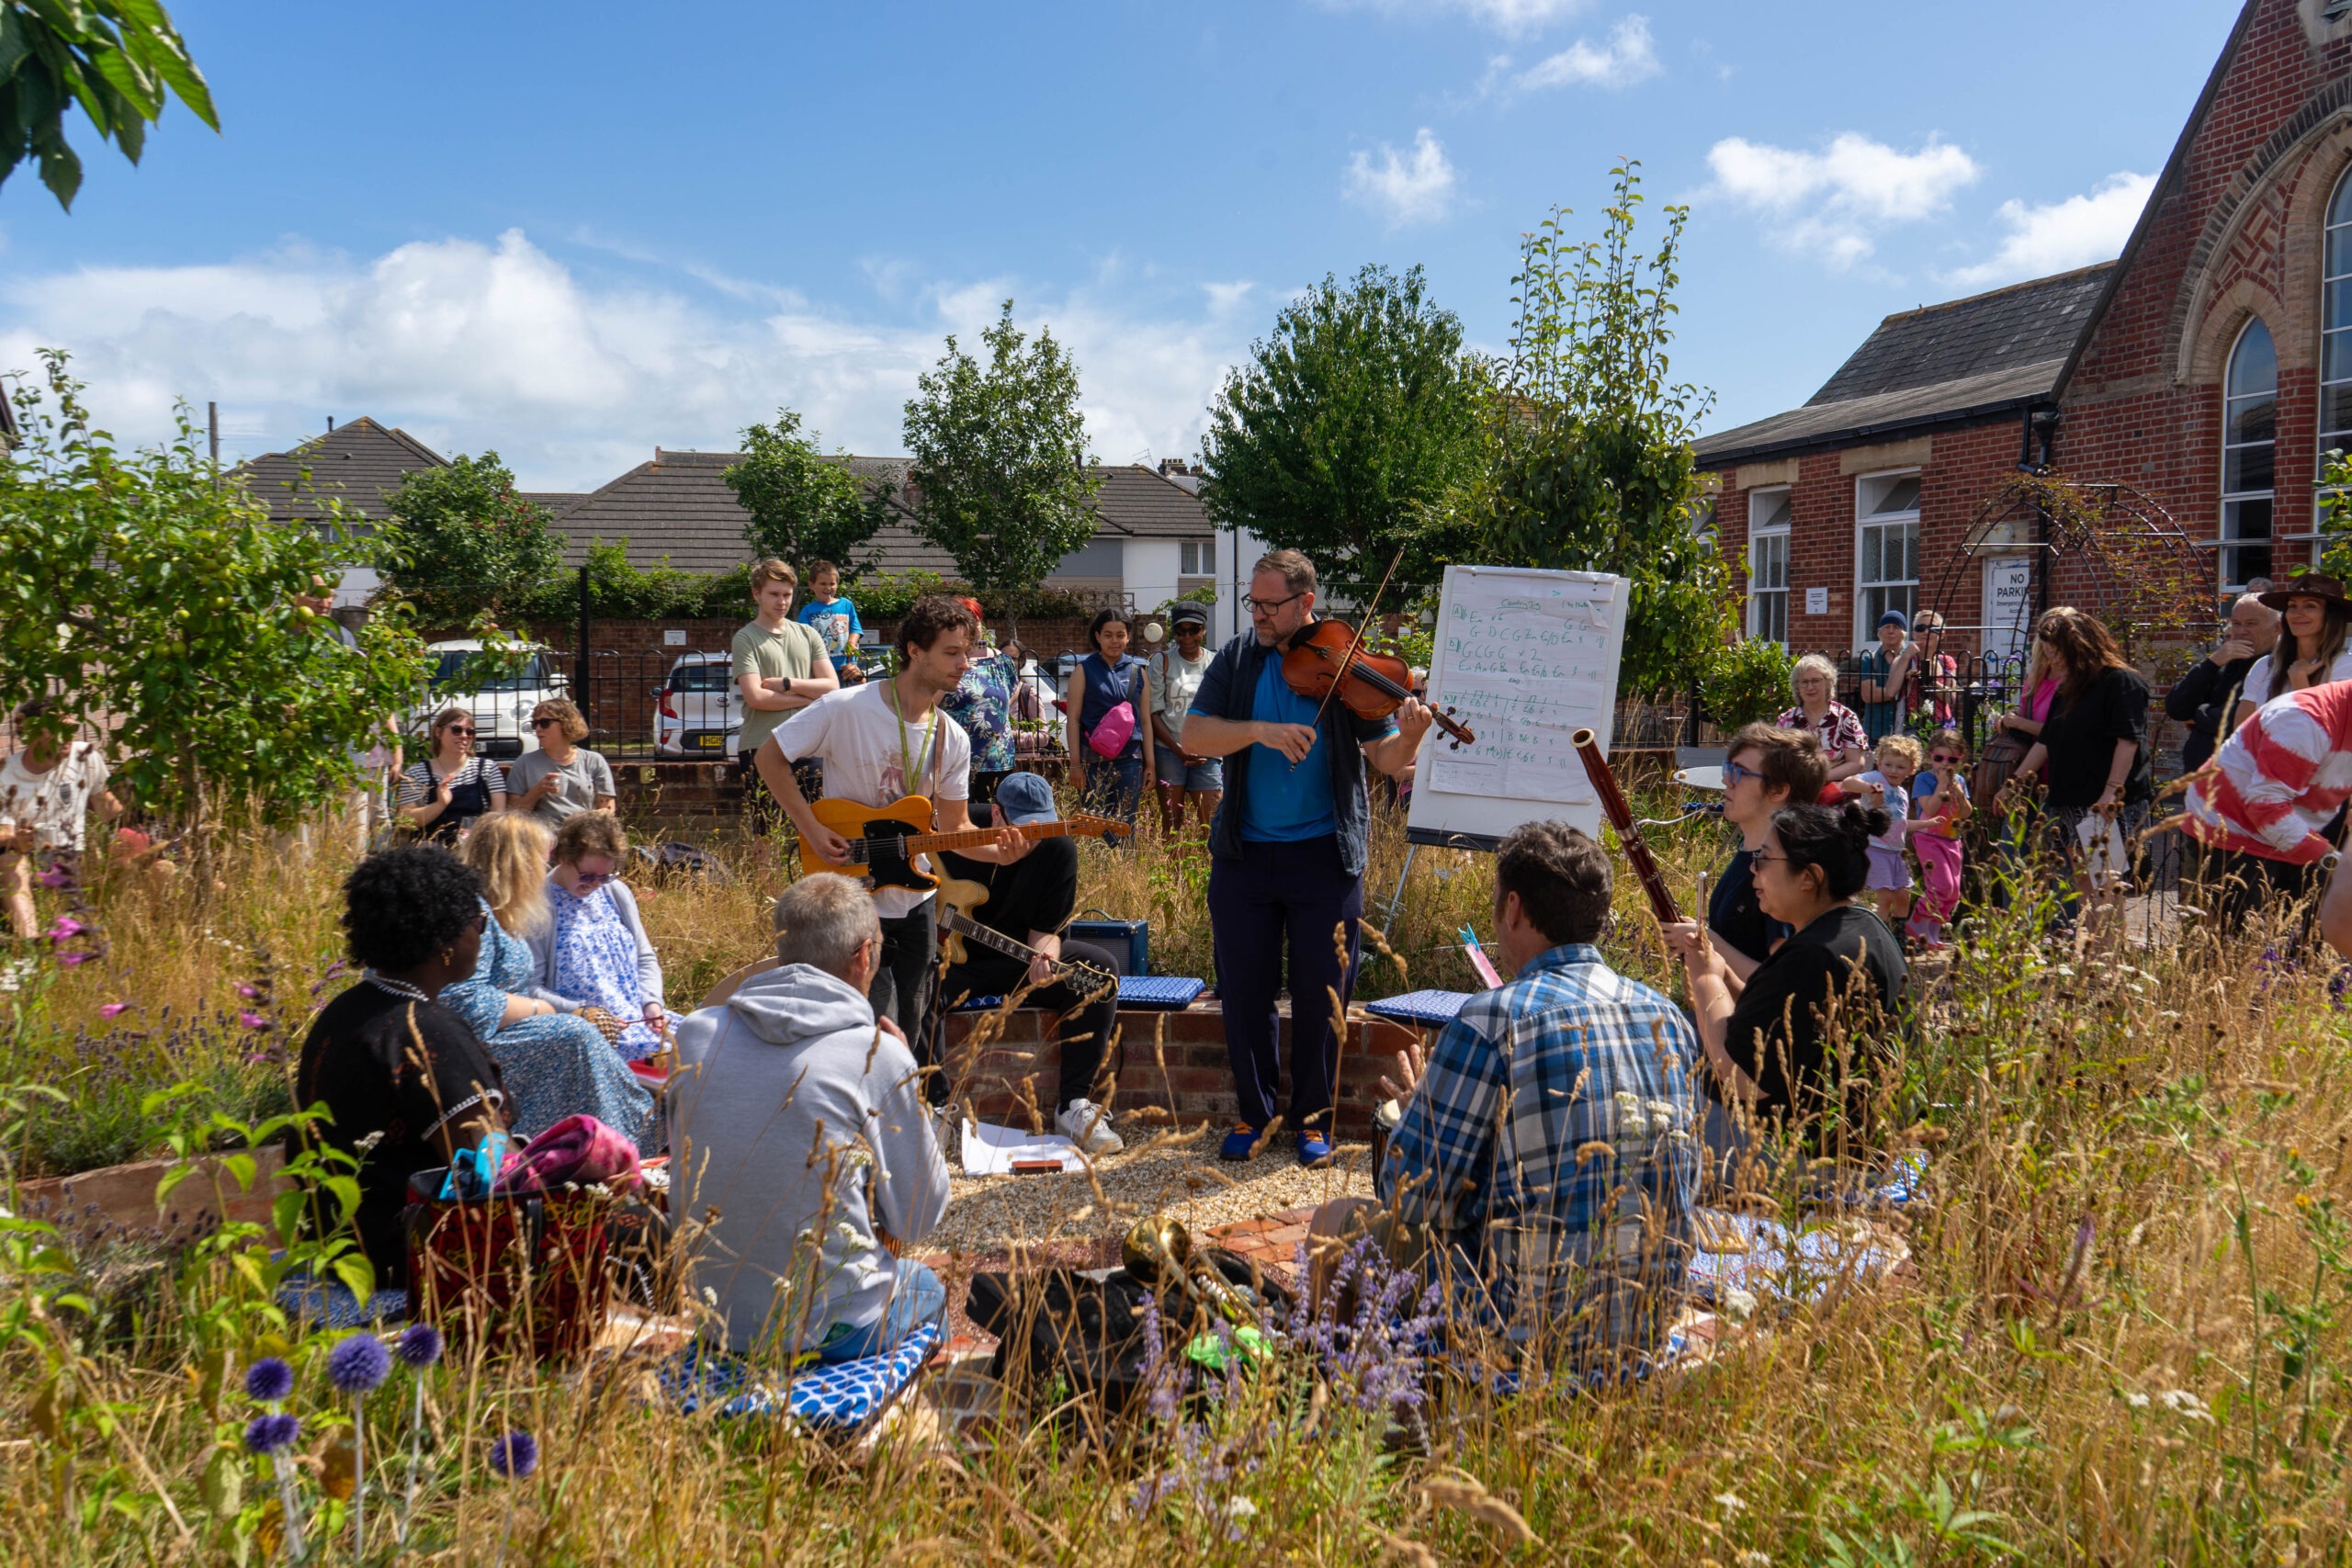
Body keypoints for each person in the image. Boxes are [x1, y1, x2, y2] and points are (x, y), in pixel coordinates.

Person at [1307, 821, 1699, 1366]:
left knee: (1334, 1221)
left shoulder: (1492, 1019)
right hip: (1646, 1323)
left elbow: (1413, 1197)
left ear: (1513, 907)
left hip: (1520, 1332)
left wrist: (1420, 1108)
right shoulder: (1670, 1018)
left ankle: (1342, 1393)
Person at [1179, 550, 1431, 1167]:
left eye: (1270, 605)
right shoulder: (1237, 659)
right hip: (1244, 855)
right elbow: (1193, 736)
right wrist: (1260, 731)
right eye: (1253, 603)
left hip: (1325, 854)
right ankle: (1254, 1114)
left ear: (1306, 604)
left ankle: (1312, 1120)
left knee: (1324, 995)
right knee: (1245, 990)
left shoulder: (1343, 662)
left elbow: (1389, 761)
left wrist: (1415, 731)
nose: (1259, 615)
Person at [757, 594, 1035, 1089]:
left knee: (917, 1016)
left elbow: (955, 830)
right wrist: (810, 827)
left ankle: (916, 1116)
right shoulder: (845, 707)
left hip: (916, 899)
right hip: (852, 895)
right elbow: (770, 757)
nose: (964, 664)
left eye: (966, 652)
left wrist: (1002, 852)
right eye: (951, 652)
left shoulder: (952, 736)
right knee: (873, 1018)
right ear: (914, 650)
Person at [669, 873, 951, 1359]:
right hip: (831, 1330)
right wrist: (910, 1089)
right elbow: (919, 1218)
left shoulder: (695, 1035)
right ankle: (887, 1419)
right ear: (865, 955)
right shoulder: (877, 1055)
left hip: (719, 1323)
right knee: (927, 1286)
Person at [295, 847, 510, 1290]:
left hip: (335, 1244)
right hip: (407, 1259)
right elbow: (489, 1174)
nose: (482, 934)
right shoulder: (426, 1029)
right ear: (445, 939)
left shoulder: (344, 1012)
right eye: (480, 924)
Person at [1677, 801, 1907, 1174]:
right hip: (1855, 1147)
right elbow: (1778, 1014)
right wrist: (1723, 976)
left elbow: (1741, 1076)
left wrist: (1705, 978)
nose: (1753, 871)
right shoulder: (1859, 927)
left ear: (1809, 877)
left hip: (1806, 1161)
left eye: (1764, 860)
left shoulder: (1815, 955)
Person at [935, 772, 1125, 1155]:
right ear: (996, 814)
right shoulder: (957, 829)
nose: (1033, 837)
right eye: (1024, 828)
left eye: (1042, 826)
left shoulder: (1058, 849)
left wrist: (1047, 958)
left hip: (1017, 960)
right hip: (953, 962)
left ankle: (1073, 1106)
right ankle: (933, 1108)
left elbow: (1046, 931)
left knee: (1101, 971)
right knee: (918, 985)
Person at [445, 813, 658, 1153]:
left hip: (520, 1029)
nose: (544, 870)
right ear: (516, 863)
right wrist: (543, 1008)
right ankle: (617, 1148)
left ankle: (633, 1137)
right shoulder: (476, 913)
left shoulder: (503, 910)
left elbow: (645, 957)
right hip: (483, 1044)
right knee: (577, 1037)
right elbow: (467, 1002)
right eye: (539, 860)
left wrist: (651, 1002)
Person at [2014, 607, 2154, 926]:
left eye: (2058, 652)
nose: (2053, 661)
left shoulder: (2122, 682)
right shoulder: (2069, 686)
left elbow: (2128, 740)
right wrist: (2016, 783)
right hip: (2070, 799)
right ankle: (2089, 955)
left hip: (2101, 802)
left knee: (2105, 882)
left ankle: (2107, 960)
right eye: (2048, 653)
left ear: (2081, 645)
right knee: (2083, 881)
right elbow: (2047, 741)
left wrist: (2110, 793)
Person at [1662, 724, 1826, 984]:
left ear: (1778, 790)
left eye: (1739, 773)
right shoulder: (1749, 853)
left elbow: (1778, 985)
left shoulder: (1782, 871)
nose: (1726, 780)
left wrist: (1705, 943)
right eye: (1728, 770)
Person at [2181, 682, 2352, 918]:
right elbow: (2266, 806)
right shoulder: (2305, 721)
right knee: (2236, 943)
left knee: (2305, 945)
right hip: (2231, 828)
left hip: (2298, 827)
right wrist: (2333, 860)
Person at [526, 811, 675, 1061]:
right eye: (586, 877)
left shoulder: (616, 892)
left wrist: (652, 1003)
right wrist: (583, 1012)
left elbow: (645, 958)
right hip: (587, 1034)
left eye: (605, 876)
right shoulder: (539, 904)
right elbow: (531, 989)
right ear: (562, 857)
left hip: (639, 1020)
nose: (595, 885)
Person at [732, 559, 839, 843]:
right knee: (766, 832)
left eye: (787, 595)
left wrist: (787, 685)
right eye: (774, 594)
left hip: (810, 743)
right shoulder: (746, 638)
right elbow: (756, 697)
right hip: (761, 743)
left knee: (821, 827)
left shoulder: (807, 633)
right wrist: (807, 699)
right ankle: (767, 890)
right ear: (757, 594)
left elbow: (832, 686)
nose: (782, 602)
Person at [0, 700, 123, 938]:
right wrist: (16, 839)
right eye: (60, 730)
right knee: (10, 861)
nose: (69, 737)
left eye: (71, 729)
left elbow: (109, 812)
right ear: (33, 733)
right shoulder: (5, 774)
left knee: (160, 867)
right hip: (35, 860)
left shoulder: (84, 756)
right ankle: (31, 943)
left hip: (80, 855)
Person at [2165, 592, 2279, 773]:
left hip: (2245, 778)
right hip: (2200, 779)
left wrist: (2198, 713)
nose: (2241, 631)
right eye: (2236, 623)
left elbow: (2238, 721)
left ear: (2277, 628)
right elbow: (2176, 707)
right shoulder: (2222, 662)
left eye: (2251, 624)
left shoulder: (2277, 668)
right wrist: (2211, 663)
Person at [1064, 609, 1155, 833]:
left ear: (1128, 637)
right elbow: (1073, 720)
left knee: (1126, 825)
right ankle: (1100, 868)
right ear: (1097, 636)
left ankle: (1126, 869)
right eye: (1108, 635)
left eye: (1120, 634)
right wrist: (1075, 764)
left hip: (1130, 760)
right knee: (1095, 827)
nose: (1114, 640)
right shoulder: (1083, 670)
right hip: (1092, 762)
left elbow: (1145, 721)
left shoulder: (1138, 671)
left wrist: (1150, 764)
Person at [2233, 572, 2352, 728]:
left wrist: (2300, 682)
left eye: (2310, 606)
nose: (2297, 613)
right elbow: (2241, 734)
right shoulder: (2265, 666)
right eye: (2292, 606)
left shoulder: (2344, 667)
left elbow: (2327, 734)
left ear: (2331, 616)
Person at [937, 597, 1021, 805]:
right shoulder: (945, 662)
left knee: (995, 822)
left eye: (976, 620)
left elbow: (1012, 690)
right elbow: (929, 704)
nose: (973, 627)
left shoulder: (1002, 661)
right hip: (958, 760)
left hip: (998, 759)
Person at [1149, 602, 1223, 834]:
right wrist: (1177, 748)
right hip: (1169, 751)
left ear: (1204, 630)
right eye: (1182, 631)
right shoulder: (1162, 662)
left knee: (1212, 823)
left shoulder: (1215, 662)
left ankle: (1209, 870)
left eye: (1194, 630)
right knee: (1172, 824)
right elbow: (1153, 712)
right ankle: (1174, 871)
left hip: (1208, 753)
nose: (1188, 637)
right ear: (1174, 633)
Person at [397, 708, 506, 845]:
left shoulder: (487, 769)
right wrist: (440, 804)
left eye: (469, 732)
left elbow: (499, 815)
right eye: (457, 730)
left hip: (474, 848)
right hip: (431, 852)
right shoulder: (417, 773)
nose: (464, 736)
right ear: (438, 732)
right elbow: (407, 821)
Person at [1905, 729, 1973, 947]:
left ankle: (1931, 931)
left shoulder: (1960, 780)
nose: (1945, 764)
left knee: (1953, 893)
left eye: (1952, 759)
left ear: (1960, 760)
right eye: (1939, 758)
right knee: (1940, 886)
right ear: (1930, 756)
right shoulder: (1924, 779)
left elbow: (1967, 813)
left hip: (1952, 840)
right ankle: (1916, 922)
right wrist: (1942, 785)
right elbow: (1930, 808)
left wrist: (1959, 792)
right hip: (1929, 839)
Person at [503, 698, 616, 829]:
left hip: (581, 836)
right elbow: (513, 812)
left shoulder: (593, 761)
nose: (538, 729)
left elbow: (608, 810)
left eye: (545, 723)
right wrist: (538, 790)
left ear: (565, 723)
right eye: (535, 724)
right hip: (541, 838)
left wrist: (581, 825)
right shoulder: (524, 763)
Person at [1848, 734, 1922, 930]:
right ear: (1879, 763)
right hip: (1875, 847)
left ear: (1911, 770)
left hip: (1897, 852)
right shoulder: (1876, 778)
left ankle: (1898, 934)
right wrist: (1870, 788)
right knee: (1884, 895)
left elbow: (1901, 824)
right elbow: (1848, 782)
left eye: (1900, 767)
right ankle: (1876, 934)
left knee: (1903, 896)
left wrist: (1928, 823)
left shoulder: (1903, 793)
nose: (1893, 770)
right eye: (1888, 764)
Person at [1778, 655, 1871, 782]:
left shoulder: (1846, 718)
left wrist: (1819, 779)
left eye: (1816, 680)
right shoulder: (1785, 721)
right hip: (1796, 790)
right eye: (1804, 682)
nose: (1810, 687)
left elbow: (1856, 763)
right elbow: (1776, 762)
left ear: (1828, 683)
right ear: (1797, 687)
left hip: (1835, 792)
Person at [796, 559, 866, 683]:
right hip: (821, 667)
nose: (828, 588)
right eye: (823, 584)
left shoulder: (846, 605)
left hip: (847, 666)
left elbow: (855, 629)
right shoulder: (807, 611)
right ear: (811, 585)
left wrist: (851, 642)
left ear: (837, 584)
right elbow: (804, 640)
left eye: (832, 584)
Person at [1855, 611, 1916, 744]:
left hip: (1906, 730)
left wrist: (1883, 690)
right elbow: (1868, 695)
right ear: (1880, 632)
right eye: (1886, 627)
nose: (1891, 631)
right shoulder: (1869, 659)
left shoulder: (1912, 659)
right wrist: (1897, 687)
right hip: (1876, 731)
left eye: (1896, 627)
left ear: (1903, 633)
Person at [1904, 611, 1962, 728]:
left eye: (1933, 628)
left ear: (1942, 634)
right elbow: (1893, 693)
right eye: (1921, 628)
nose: (1926, 632)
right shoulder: (1906, 660)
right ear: (1914, 634)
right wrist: (1906, 680)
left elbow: (1951, 698)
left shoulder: (1946, 662)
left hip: (1943, 723)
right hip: (1913, 723)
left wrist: (1931, 681)